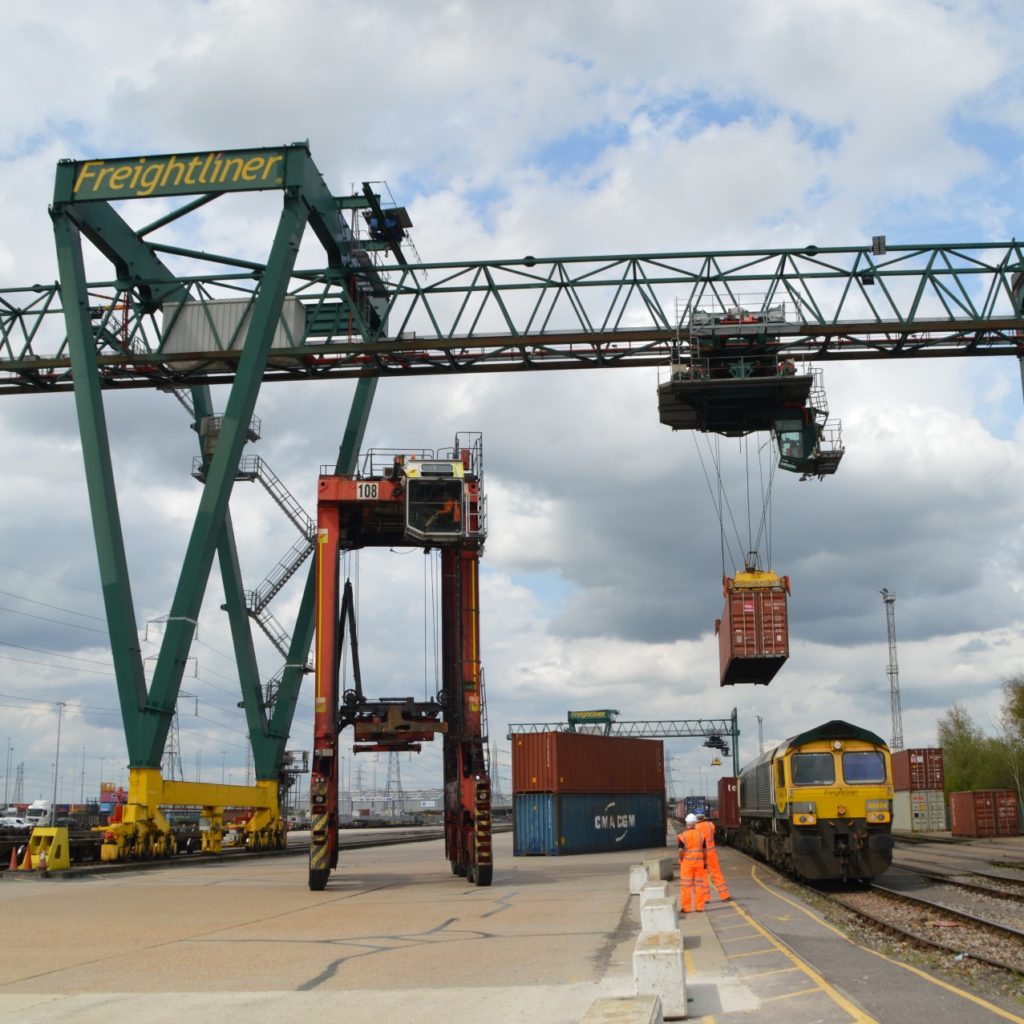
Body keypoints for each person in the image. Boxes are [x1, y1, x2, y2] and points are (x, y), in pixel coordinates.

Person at [695, 812, 730, 902]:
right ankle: (724, 896)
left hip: (701, 854)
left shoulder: (695, 828)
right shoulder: (711, 825)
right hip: (711, 853)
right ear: (703, 817)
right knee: (716, 873)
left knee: (703, 875)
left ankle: (706, 898)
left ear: (696, 818)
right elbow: (712, 833)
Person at [677, 813, 706, 913]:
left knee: (686, 886)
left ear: (686, 824)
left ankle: (686, 908)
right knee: (699, 886)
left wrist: (681, 859)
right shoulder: (701, 835)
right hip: (699, 864)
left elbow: (680, 851)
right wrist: (704, 862)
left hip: (687, 865)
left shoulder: (682, 836)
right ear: (695, 823)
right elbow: (704, 851)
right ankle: (699, 907)